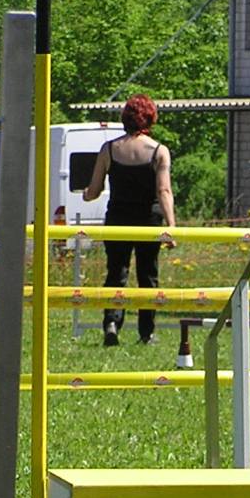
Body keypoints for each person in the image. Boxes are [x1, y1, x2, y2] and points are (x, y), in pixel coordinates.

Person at [82, 94, 176, 346]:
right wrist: (171, 226)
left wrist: (86, 194)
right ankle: (147, 332)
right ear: (151, 118)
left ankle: (111, 323)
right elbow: (164, 191)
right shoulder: (159, 151)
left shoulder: (109, 149)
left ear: (125, 119)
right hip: (149, 221)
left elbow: (94, 190)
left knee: (116, 273)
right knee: (148, 276)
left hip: (118, 219)